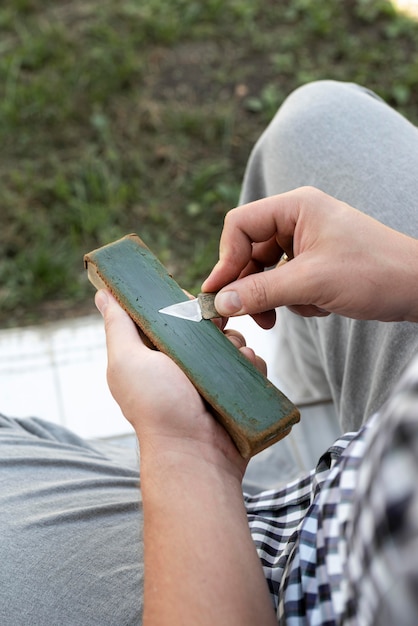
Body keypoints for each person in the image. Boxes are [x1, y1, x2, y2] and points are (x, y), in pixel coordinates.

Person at [1, 80, 418, 625]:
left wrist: (188, 451)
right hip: (378, 467)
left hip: (308, 588)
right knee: (321, 118)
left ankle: (265, 462)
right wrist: (409, 273)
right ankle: (319, 423)